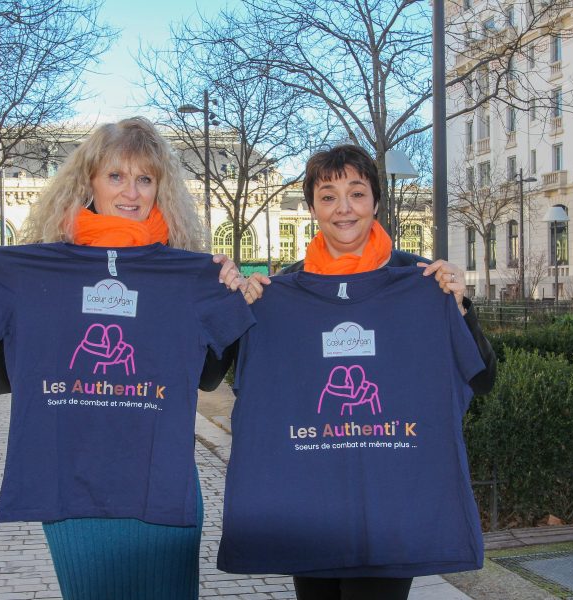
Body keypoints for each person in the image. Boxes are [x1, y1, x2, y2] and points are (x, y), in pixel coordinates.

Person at [0, 117, 253, 600]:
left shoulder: (188, 274)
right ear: (88, 182)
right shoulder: (35, 267)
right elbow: (4, 382)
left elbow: (209, 378)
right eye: (116, 176)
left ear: (161, 189)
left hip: (160, 486)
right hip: (71, 488)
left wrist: (226, 295)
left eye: (144, 178)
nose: (130, 191)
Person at [211, 145, 497, 600]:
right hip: (311, 500)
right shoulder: (281, 290)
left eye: (357, 193)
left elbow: (482, 379)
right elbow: (219, 376)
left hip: (390, 502)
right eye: (328, 196)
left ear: (376, 202)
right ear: (312, 208)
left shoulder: (423, 281)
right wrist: (237, 308)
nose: (344, 208)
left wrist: (460, 309)